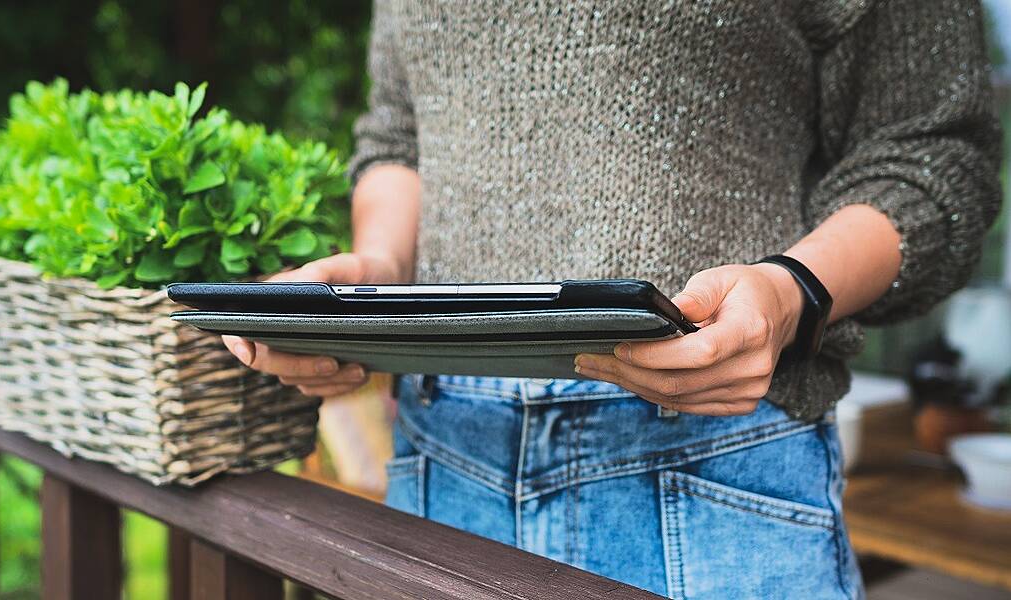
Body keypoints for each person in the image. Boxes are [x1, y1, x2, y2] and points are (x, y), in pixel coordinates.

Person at [224, 1, 1002, 597]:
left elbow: (930, 148)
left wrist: (792, 289)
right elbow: (400, 137)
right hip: (443, 459)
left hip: (709, 466)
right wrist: (378, 271)